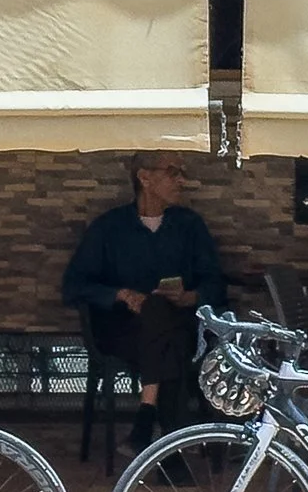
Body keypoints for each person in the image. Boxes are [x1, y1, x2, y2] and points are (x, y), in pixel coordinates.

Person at [61, 153, 227, 449]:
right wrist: (122, 295)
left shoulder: (189, 226)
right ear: (145, 178)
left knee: (166, 327)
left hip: (181, 326)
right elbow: (74, 286)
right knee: (167, 338)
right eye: (173, 172)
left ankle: (147, 422)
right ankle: (169, 445)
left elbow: (215, 283)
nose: (181, 180)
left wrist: (190, 297)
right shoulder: (109, 228)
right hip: (122, 332)